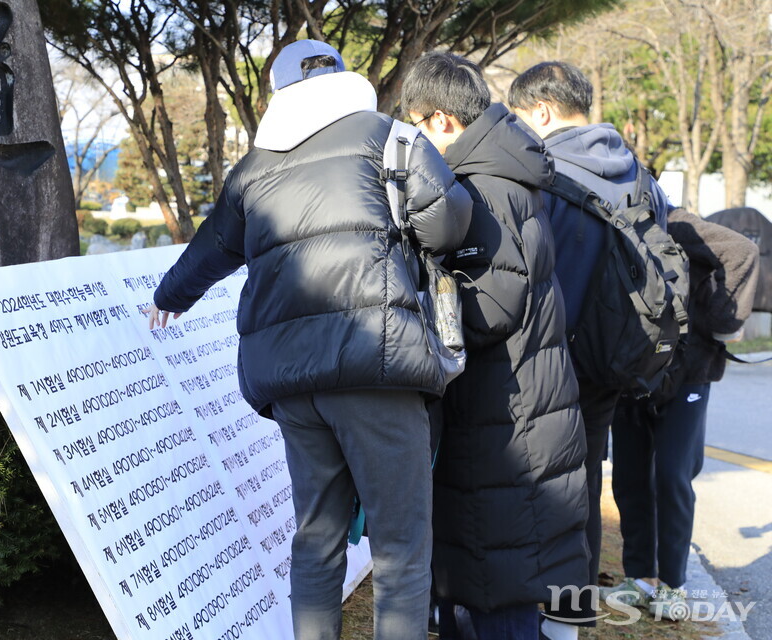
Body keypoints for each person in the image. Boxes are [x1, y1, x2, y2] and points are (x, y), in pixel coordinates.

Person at [147, 40, 473, 640]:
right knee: (402, 546)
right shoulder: (388, 136)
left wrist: (169, 297)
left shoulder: (254, 168)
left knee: (316, 537)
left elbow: (211, 249)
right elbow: (447, 223)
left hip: (293, 381)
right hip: (377, 362)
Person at [401, 52, 589, 640]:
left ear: (442, 122)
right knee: (494, 580)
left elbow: (492, 307)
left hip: (504, 421)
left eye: (415, 127)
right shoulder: (498, 170)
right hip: (514, 408)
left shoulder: (483, 188)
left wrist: (415, 310)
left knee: (496, 593)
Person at [508, 61, 674, 639]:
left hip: (546, 362)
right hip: (612, 363)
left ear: (544, 112)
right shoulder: (639, 172)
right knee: (582, 489)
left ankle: (527, 616)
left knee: (534, 493)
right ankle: (568, 622)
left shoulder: (543, 172)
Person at [604, 207, 759, 619]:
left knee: (672, 475)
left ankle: (674, 584)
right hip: (630, 371)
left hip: (688, 374)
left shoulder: (677, 224)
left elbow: (742, 251)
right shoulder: (605, 220)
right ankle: (640, 576)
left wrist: (722, 325)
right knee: (630, 478)